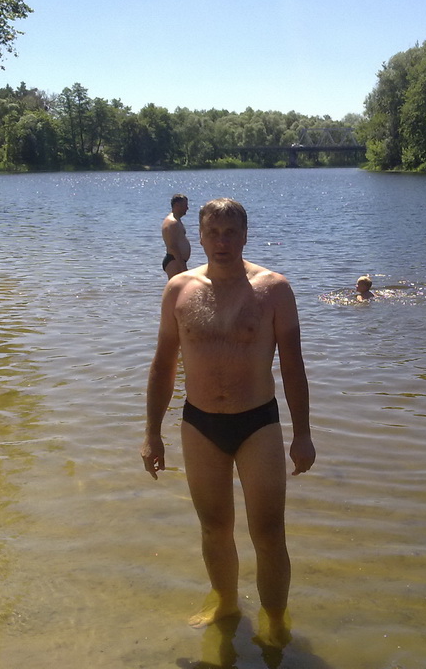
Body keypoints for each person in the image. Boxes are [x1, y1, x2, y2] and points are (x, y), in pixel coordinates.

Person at [141, 198, 316, 648]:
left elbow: (293, 365)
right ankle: (225, 602)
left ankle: (275, 620)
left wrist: (302, 434)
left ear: (245, 236)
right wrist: (152, 434)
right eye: (213, 233)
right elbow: (162, 366)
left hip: (258, 423)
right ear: (198, 237)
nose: (222, 242)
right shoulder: (178, 289)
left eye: (231, 233)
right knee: (213, 528)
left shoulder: (274, 290)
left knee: (269, 531)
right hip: (200, 424)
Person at [161, 193, 191, 279]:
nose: (187, 208)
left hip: (176, 260)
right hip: (174, 261)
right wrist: (182, 266)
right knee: (177, 286)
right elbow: (173, 246)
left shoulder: (176, 220)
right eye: (185, 205)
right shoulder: (172, 222)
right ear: (177, 205)